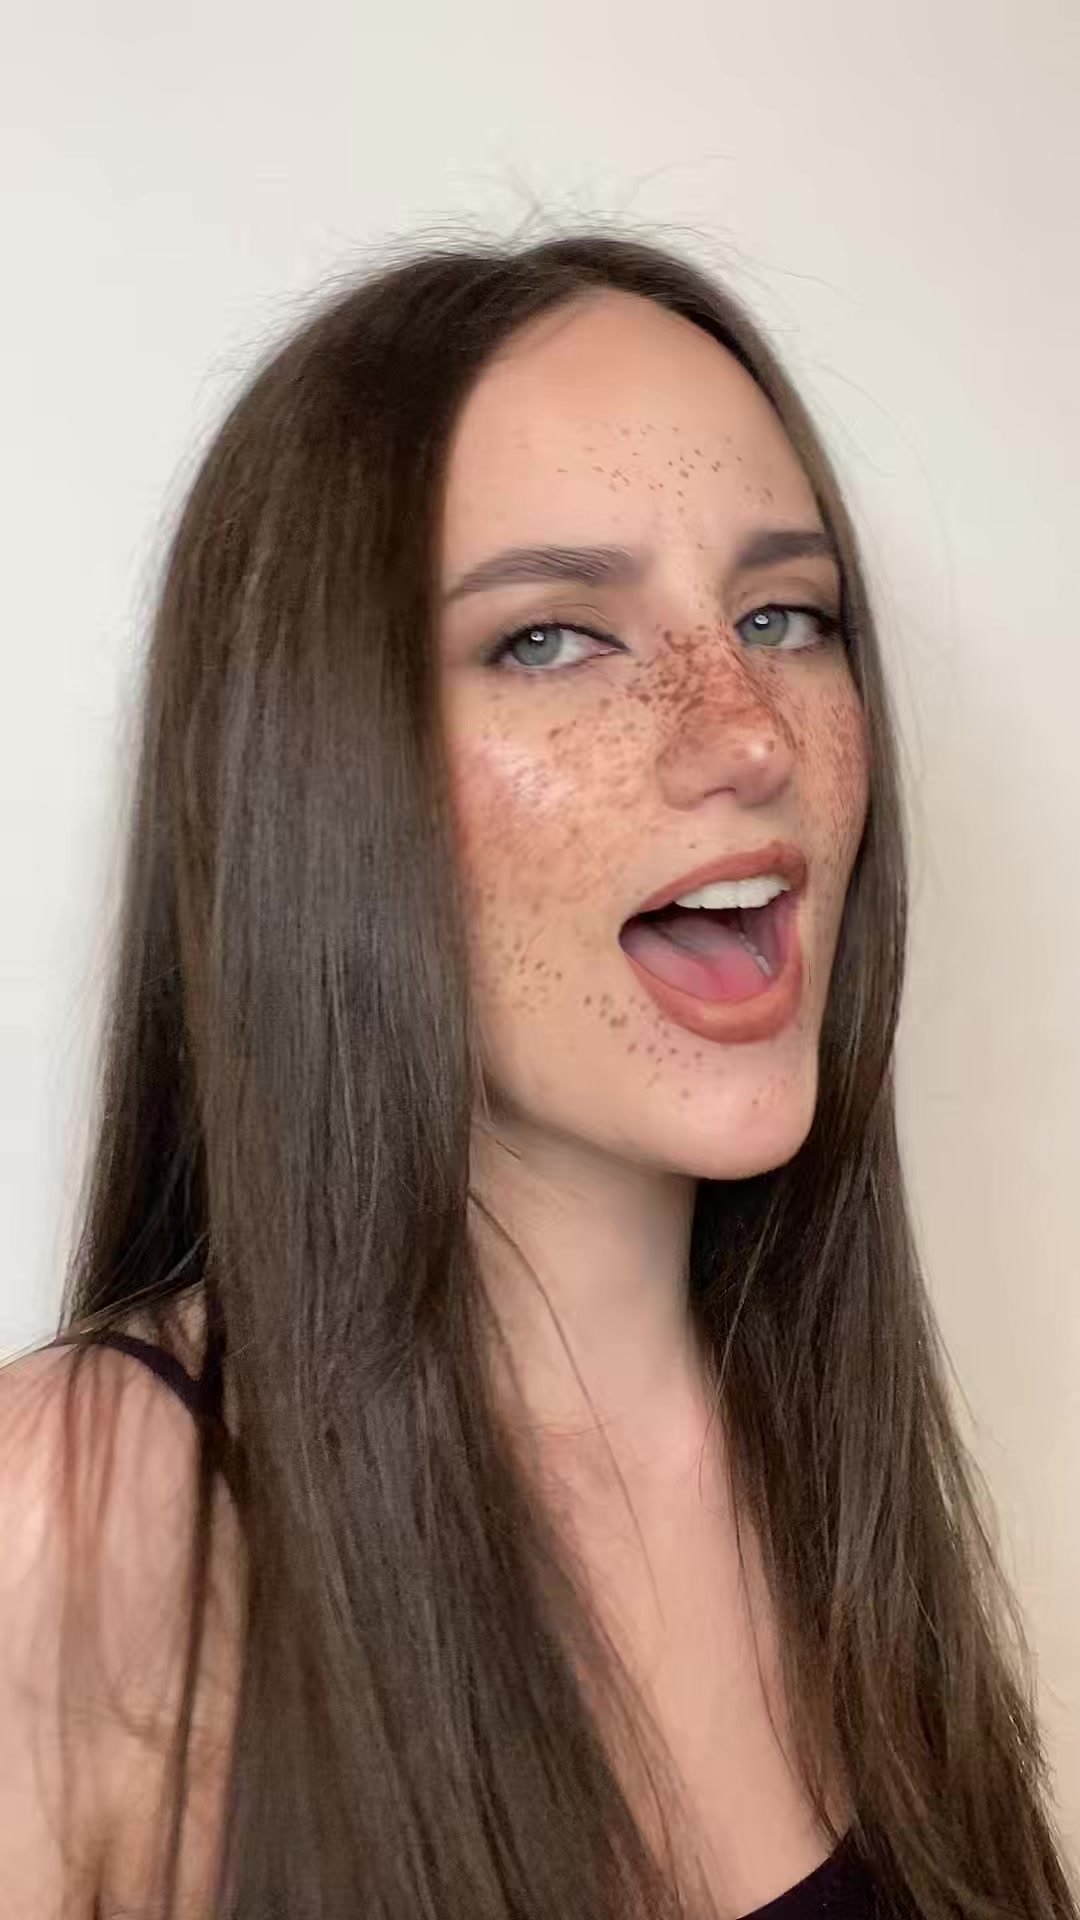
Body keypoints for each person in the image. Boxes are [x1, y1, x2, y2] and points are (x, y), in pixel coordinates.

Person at [1, 228, 1075, 1920]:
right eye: (551, 640)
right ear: (316, 772)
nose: (748, 732)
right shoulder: (75, 1523)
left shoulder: (825, 1455)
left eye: (785, 616)